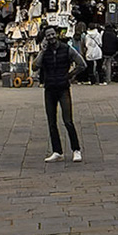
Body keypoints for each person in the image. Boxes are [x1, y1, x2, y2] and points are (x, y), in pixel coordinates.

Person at [35, 26, 86, 162]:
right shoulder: (45, 52)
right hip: (49, 88)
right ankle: (57, 151)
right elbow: (35, 66)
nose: (51, 37)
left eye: (52, 34)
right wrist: (42, 51)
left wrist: (70, 75)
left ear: (56, 35)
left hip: (63, 88)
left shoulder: (66, 49)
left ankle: (76, 150)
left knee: (68, 120)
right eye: (48, 35)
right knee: (51, 122)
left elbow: (82, 64)